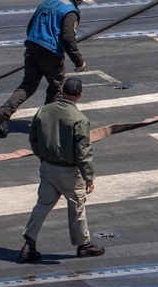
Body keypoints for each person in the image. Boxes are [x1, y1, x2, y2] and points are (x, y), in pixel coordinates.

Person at [0, 0, 90, 137]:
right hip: (51, 53)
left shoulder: (48, 0)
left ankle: (3, 113)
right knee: (56, 88)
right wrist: (79, 61)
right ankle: (46, 124)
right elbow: (67, 39)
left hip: (32, 47)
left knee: (27, 86)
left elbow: (31, 25)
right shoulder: (70, 11)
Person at [20, 77, 105, 261]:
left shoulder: (44, 110)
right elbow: (83, 151)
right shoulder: (79, 119)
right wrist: (89, 176)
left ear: (62, 91)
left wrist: (43, 157)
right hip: (69, 172)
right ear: (80, 95)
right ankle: (84, 245)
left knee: (42, 205)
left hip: (48, 167)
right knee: (76, 207)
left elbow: (33, 138)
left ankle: (29, 244)